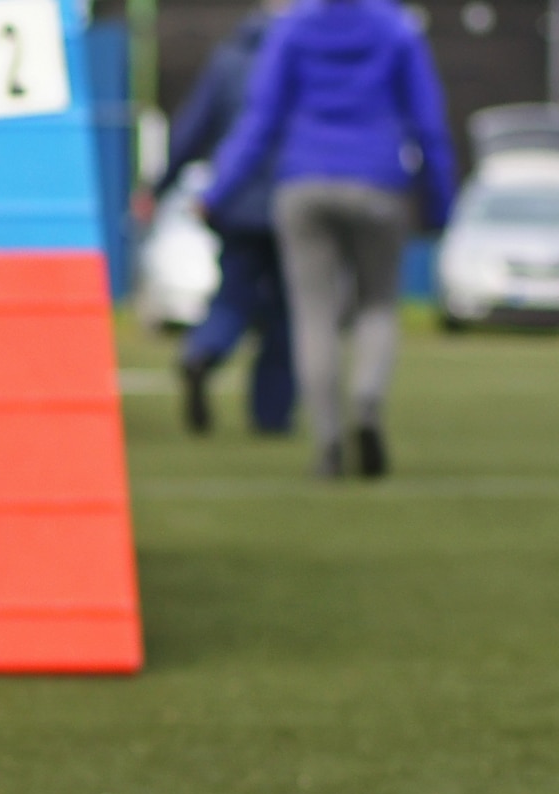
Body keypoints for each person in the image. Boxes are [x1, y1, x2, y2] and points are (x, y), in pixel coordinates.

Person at [203, 0, 456, 477]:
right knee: (377, 304)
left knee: (312, 316)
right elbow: (429, 124)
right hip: (380, 182)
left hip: (304, 181)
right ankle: (366, 400)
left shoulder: (293, 28)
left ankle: (328, 442)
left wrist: (219, 190)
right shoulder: (397, 29)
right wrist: (441, 200)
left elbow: (260, 120)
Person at [153, 6, 293, 438]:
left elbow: (193, 127)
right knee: (287, 312)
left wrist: (161, 186)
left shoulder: (228, 58)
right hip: (294, 202)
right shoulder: (307, 56)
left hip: (235, 202)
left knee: (233, 296)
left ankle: (204, 351)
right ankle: (270, 415)